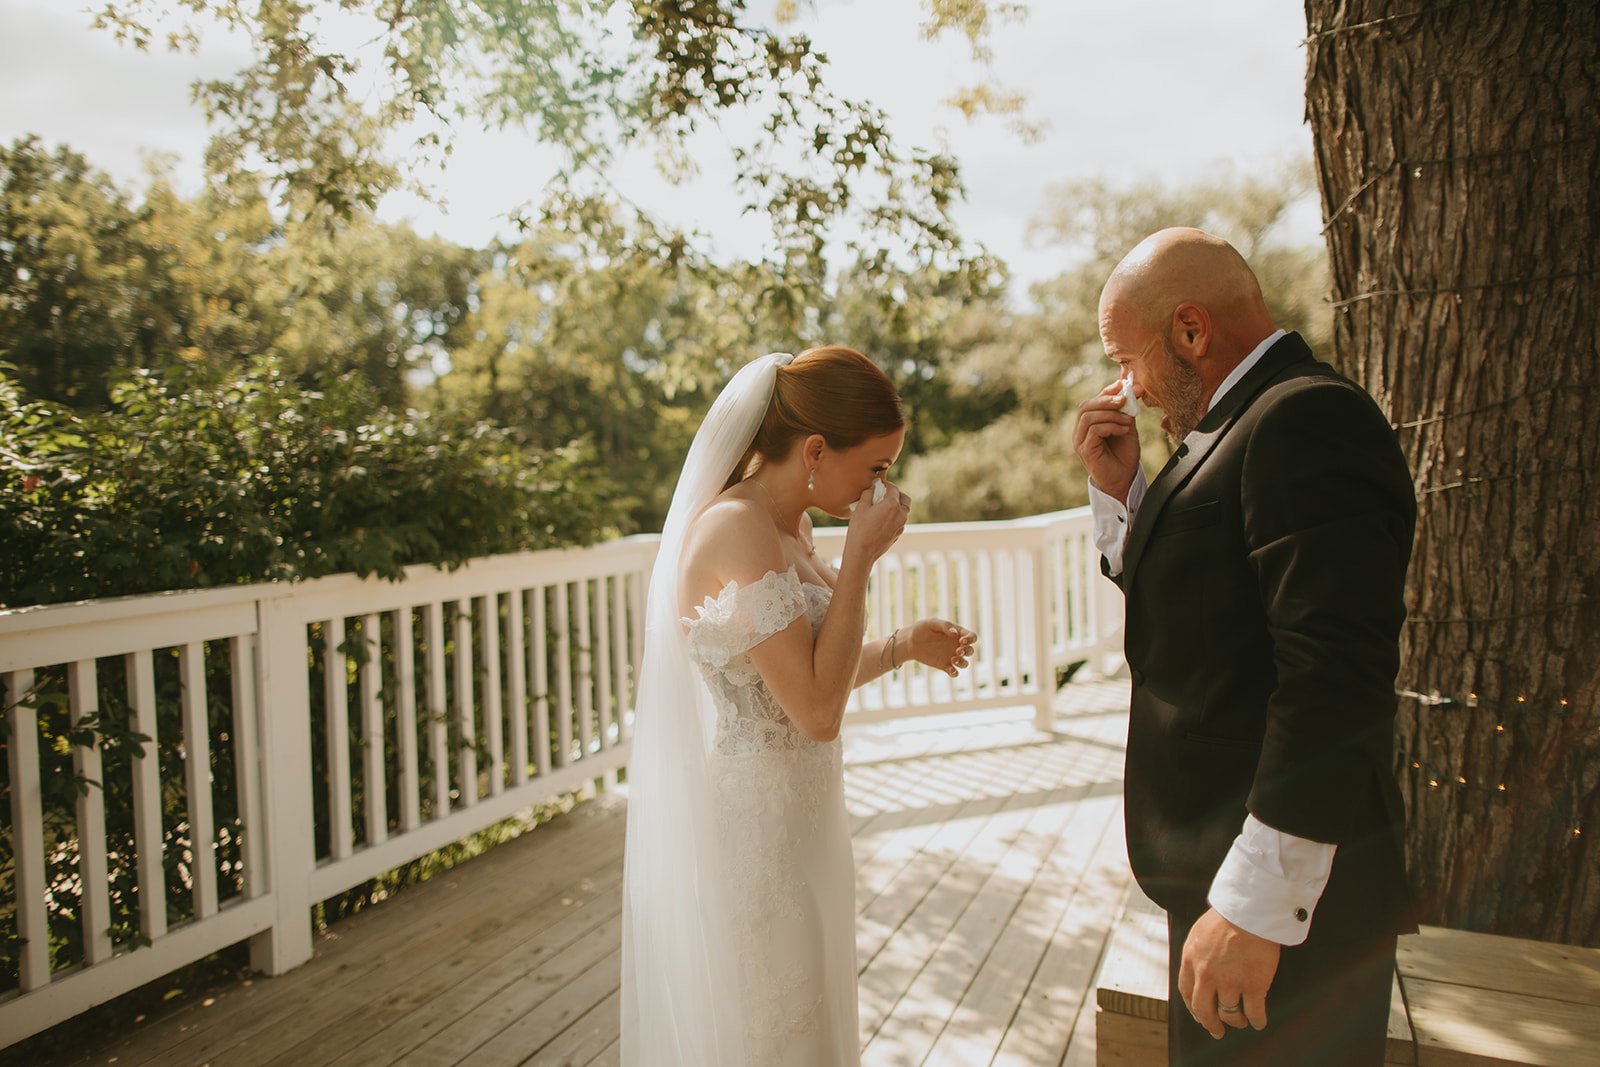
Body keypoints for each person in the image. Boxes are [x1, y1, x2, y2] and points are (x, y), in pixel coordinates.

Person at [1072, 228, 1417, 1065]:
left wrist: (1258, 905)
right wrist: (1125, 496)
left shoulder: (1305, 416)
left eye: (1130, 359)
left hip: (1278, 904)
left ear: (1191, 330)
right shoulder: (1234, 423)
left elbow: (1334, 675)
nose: (1129, 390)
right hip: (1218, 876)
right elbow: (1206, 611)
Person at [620, 345, 978, 1067]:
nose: (884, 485)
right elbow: (817, 711)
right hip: (761, 832)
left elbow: (816, 675)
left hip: (810, 819)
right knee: (775, 1033)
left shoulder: (795, 527)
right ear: (815, 449)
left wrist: (903, 644)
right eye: (876, 466)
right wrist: (860, 563)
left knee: (815, 1022)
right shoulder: (733, 529)